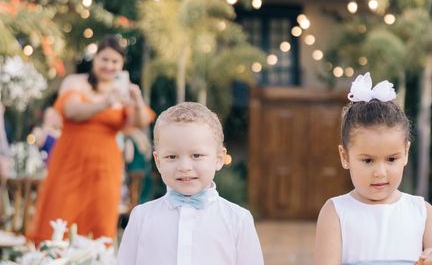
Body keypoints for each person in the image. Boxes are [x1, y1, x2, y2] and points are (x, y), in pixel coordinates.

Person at [314, 73, 432, 265]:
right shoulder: (336, 213)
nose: (380, 172)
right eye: (368, 161)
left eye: (391, 159)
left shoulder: (422, 212)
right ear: (345, 157)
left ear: (405, 153)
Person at [28, 35, 152, 244]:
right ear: (95, 59)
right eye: (105, 59)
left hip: (105, 165)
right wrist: (105, 102)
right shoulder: (75, 82)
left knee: (100, 219)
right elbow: (72, 111)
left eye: (115, 61)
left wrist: (137, 100)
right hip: (70, 160)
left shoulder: (122, 91)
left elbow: (137, 123)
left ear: (121, 65)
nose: (109, 66)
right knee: (60, 215)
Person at [117, 101, 264, 265]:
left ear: (219, 158)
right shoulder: (141, 217)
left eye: (196, 155)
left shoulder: (238, 220)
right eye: (172, 157)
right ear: (158, 162)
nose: (184, 167)